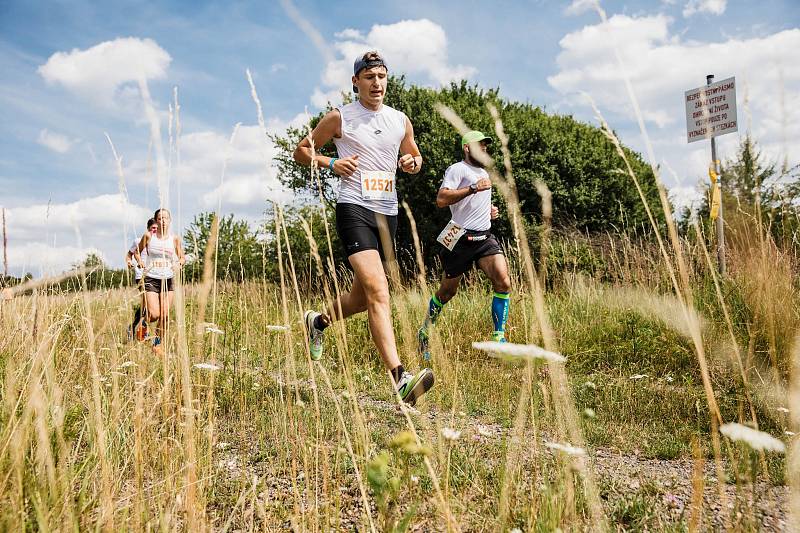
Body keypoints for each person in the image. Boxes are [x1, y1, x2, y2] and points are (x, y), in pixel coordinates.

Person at [293, 50, 434, 405]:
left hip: (387, 214)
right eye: (369, 77)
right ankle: (400, 378)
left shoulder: (400, 120)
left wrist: (412, 162)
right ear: (356, 81)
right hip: (353, 208)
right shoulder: (340, 117)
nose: (377, 83)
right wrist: (330, 162)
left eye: (382, 77)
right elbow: (301, 151)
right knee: (379, 291)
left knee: (361, 297)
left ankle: (319, 323)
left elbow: (414, 154)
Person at [417, 131, 512, 360]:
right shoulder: (457, 169)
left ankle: (498, 338)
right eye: (479, 146)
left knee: (503, 281)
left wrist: (489, 211)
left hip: (484, 238)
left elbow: (474, 204)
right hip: (459, 238)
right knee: (448, 291)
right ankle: (425, 332)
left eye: (486, 146)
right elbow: (441, 199)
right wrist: (472, 189)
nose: (484, 150)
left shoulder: (483, 173)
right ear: (467, 148)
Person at [136, 208, 185, 353]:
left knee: (164, 315)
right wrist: (140, 262)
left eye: (165, 218)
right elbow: (137, 252)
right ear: (156, 220)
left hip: (168, 279)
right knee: (154, 314)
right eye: (160, 218)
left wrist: (179, 264)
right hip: (151, 277)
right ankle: (142, 323)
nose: (163, 221)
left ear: (170, 221)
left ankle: (157, 345)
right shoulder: (149, 237)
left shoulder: (174, 239)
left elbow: (182, 257)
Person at [126, 218, 157, 340]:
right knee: (147, 303)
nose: (155, 230)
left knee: (149, 305)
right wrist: (130, 262)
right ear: (148, 228)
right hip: (141, 276)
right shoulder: (139, 240)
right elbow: (130, 254)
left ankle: (135, 328)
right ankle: (141, 332)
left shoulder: (160, 243)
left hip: (156, 276)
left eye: (157, 228)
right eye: (153, 228)